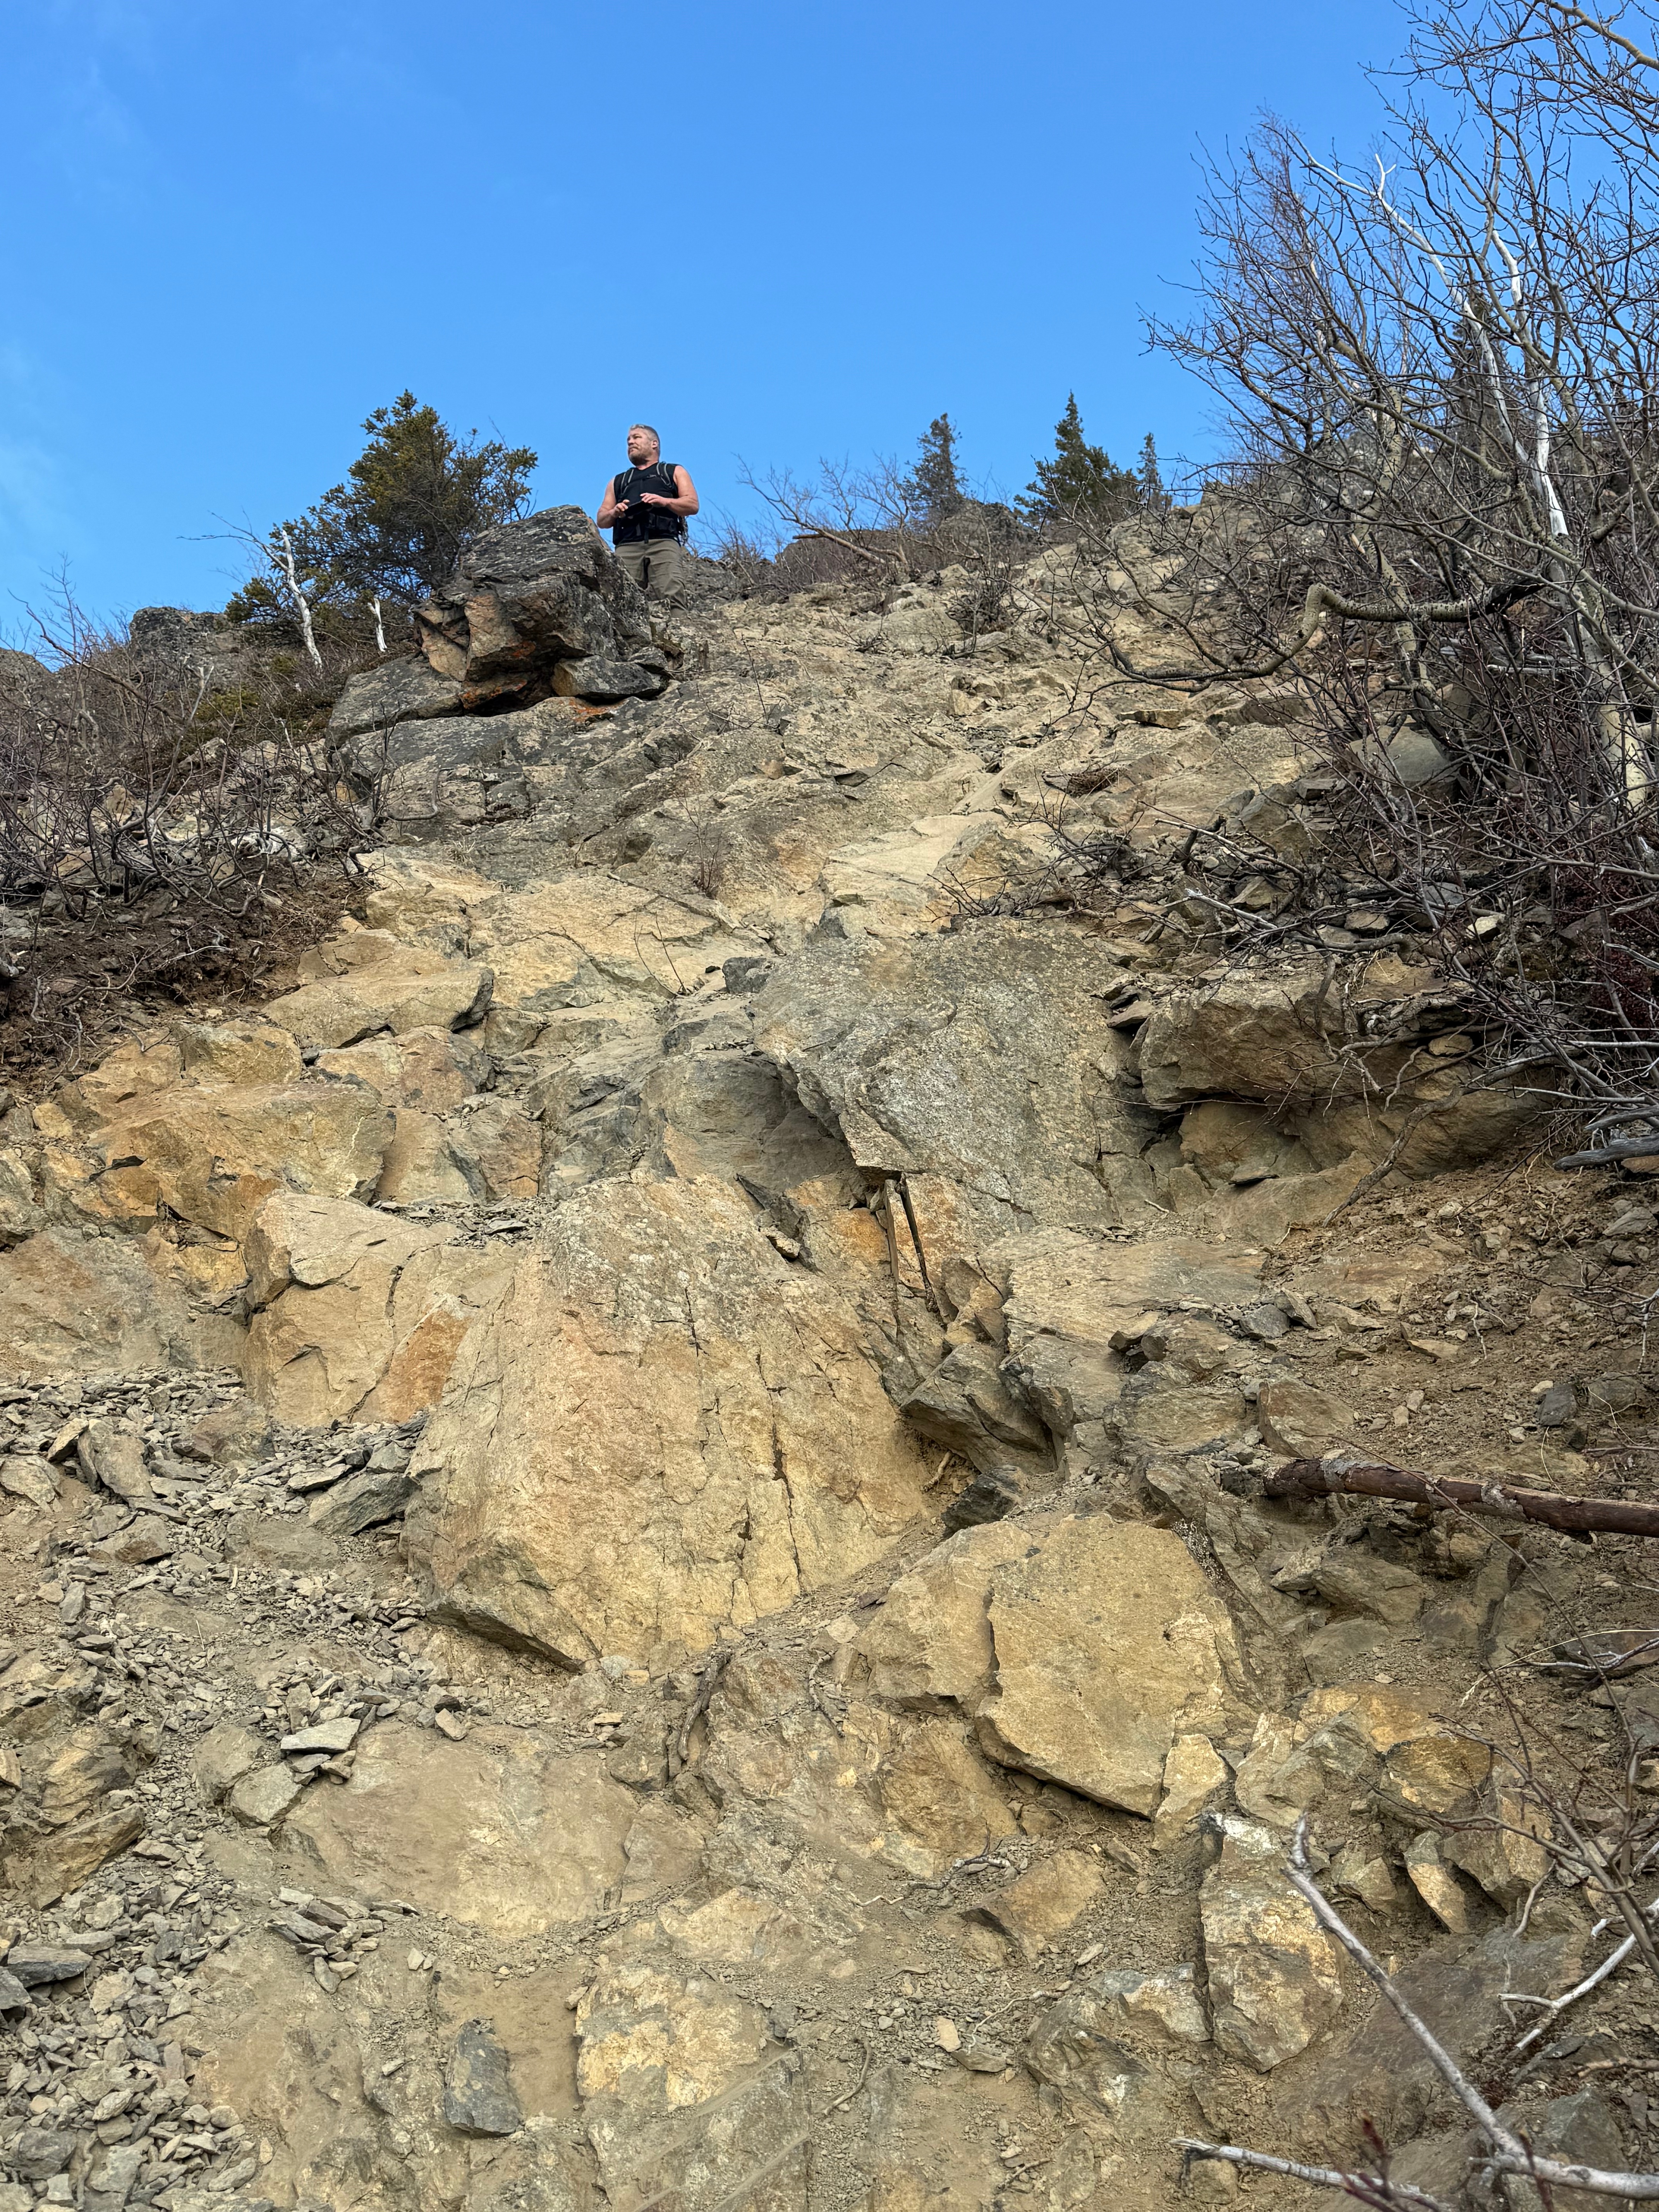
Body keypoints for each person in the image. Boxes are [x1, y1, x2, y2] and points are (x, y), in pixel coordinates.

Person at [597, 426, 699, 604]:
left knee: (672, 593)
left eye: (636, 437)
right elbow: (602, 520)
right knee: (621, 599)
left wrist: (664, 502)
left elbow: (692, 504)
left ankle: (678, 630)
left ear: (654, 444)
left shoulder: (673, 472)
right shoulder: (618, 481)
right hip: (627, 546)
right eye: (628, 440)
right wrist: (615, 511)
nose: (630, 442)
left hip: (663, 542)